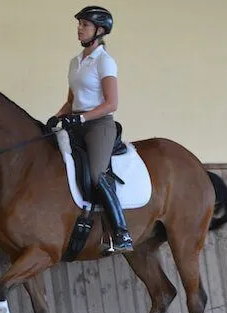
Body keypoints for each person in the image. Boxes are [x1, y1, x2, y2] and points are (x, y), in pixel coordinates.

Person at [47, 5, 133, 253]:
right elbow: (71, 101)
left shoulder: (105, 62)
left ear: (100, 30)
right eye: (79, 24)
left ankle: (121, 232)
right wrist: (55, 117)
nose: (79, 28)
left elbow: (111, 103)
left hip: (98, 125)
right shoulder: (75, 62)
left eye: (85, 25)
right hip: (75, 122)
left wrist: (82, 118)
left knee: (96, 175)